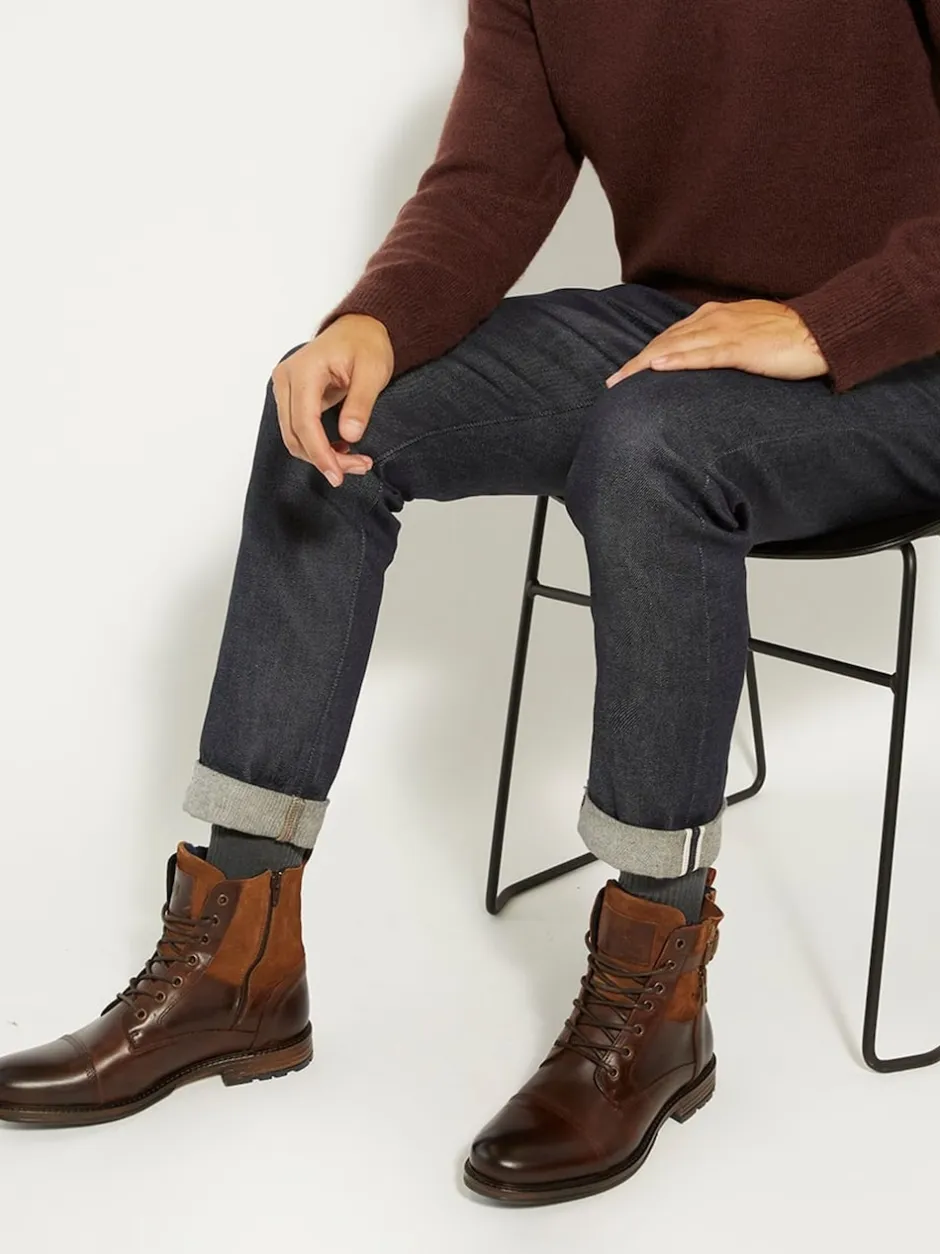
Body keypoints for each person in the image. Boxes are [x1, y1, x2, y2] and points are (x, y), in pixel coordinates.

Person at [3, 0, 940, 1207]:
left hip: (912, 359)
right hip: (688, 338)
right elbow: (490, 181)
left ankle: (655, 986)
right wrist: (370, 321)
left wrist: (832, 320)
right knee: (327, 422)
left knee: (652, 451)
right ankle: (236, 959)